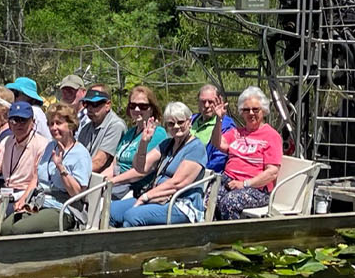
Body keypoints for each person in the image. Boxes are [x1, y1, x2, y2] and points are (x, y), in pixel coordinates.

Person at [108, 102, 209, 227]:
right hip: (157, 199)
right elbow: (140, 167)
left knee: (132, 216)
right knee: (111, 211)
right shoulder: (167, 144)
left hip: (180, 204)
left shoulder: (196, 148)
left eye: (180, 122)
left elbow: (177, 183)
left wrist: (146, 196)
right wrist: (144, 143)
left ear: (189, 122)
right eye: (171, 124)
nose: (176, 127)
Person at [1, 103, 92, 235]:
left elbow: (77, 194)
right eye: (51, 124)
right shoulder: (51, 146)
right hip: (39, 202)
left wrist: (61, 168)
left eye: (58, 123)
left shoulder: (80, 154)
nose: (54, 128)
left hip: (63, 208)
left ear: (71, 125)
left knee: (19, 229)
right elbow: (36, 176)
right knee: (5, 228)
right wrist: (24, 198)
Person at [210, 86, 284, 220]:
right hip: (228, 180)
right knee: (208, 196)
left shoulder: (271, 136)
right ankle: (211, 235)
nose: (251, 113)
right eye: (246, 110)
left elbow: (272, 172)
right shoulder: (237, 132)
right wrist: (219, 120)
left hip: (256, 188)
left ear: (264, 111)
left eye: (255, 109)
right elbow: (217, 143)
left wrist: (245, 183)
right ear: (241, 112)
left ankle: (233, 239)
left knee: (229, 202)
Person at [105, 86, 167, 195]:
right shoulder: (129, 133)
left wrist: (112, 181)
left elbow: (141, 172)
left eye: (142, 106)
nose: (137, 109)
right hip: (115, 186)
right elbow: (114, 166)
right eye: (133, 106)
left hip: (136, 190)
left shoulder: (158, 134)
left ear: (151, 108)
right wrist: (98, 179)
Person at [0, 102, 50, 194]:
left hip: (27, 194)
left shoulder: (42, 145)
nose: (18, 124)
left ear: (32, 122)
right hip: (6, 191)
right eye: (14, 120)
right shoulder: (6, 142)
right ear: (9, 123)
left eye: (23, 120)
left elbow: (38, 183)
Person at [74, 89, 125, 175]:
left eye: (94, 104)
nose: (89, 108)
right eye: (86, 104)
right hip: (86, 176)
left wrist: (74, 174)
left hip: (105, 180)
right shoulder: (86, 127)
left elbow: (99, 162)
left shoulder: (116, 126)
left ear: (107, 105)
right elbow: (76, 155)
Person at [191, 84, 236, 173]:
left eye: (210, 102)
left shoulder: (226, 125)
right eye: (203, 101)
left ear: (219, 102)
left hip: (205, 174)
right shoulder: (191, 120)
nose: (207, 105)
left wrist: (198, 171)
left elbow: (220, 158)